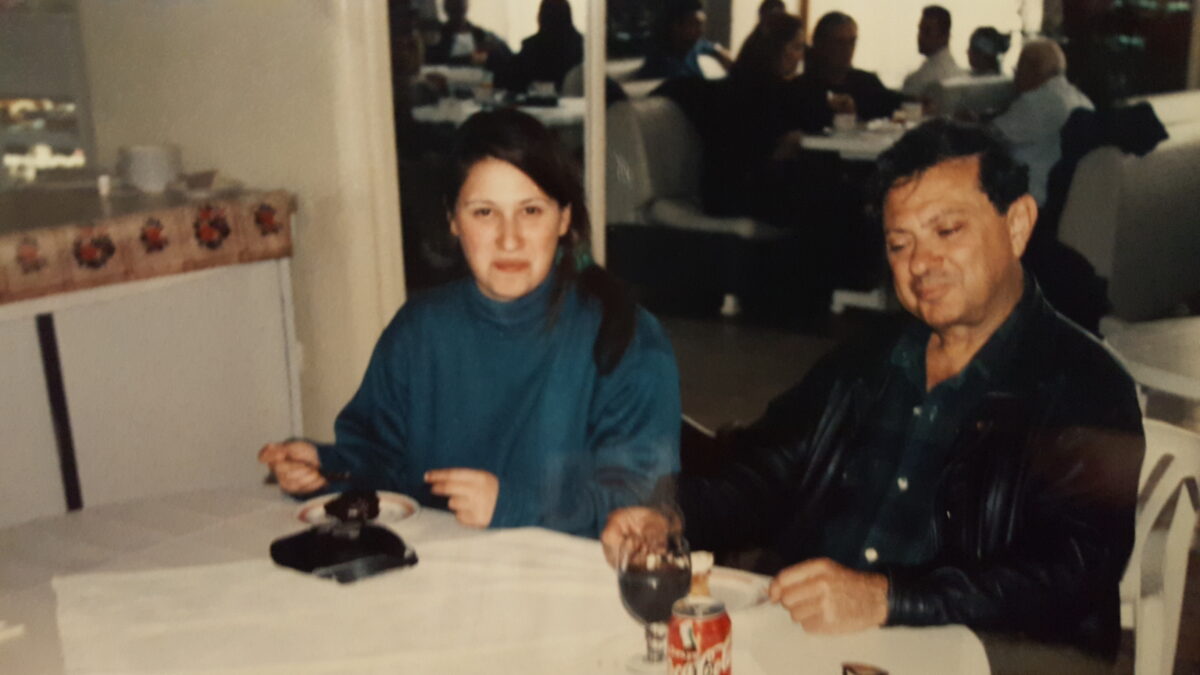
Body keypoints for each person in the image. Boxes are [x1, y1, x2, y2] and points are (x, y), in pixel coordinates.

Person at [602, 120, 1144, 666]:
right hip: (819, 638)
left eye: (948, 231)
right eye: (899, 243)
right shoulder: (870, 357)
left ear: (1018, 223)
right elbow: (765, 469)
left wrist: (889, 598)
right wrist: (671, 518)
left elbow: (1069, 572)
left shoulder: (1086, 385)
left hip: (981, 652)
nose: (921, 264)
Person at [260, 109, 681, 538]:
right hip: (439, 577)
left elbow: (642, 504)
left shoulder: (625, 336)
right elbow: (381, 461)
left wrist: (513, 504)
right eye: (484, 213)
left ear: (565, 218)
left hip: (569, 582)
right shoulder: (418, 330)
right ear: (453, 220)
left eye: (531, 210)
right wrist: (328, 468)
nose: (509, 238)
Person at [992, 39, 1093, 205]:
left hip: (1033, 198)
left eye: (1018, 70)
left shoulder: (1037, 100)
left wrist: (969, 121)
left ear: (1031, 70)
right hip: (1068, 197)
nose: (1016, 79)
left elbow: (992, 134)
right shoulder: (1082, 99)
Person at [790, 11, 904, 125]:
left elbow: (899, 106)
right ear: (820, 44)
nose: (847, 49)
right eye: (839, 42)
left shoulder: (867, 84)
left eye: (852, 42)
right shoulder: (800, 90)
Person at [635, 0, 733, 80]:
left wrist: (722, 54)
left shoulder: (694, 45)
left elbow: (713, 47)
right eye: (695, 24)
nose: (701, 30)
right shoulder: (662, 61)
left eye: (701, 25)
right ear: (676, 27)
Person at [505, 0, 583, 94]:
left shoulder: (531, 47)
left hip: (535, 105)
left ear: (541, 17)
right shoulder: (582, 46)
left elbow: (511, 81)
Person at [424, 0, 512, 73]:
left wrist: (492, 52)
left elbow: (507, 58)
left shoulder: (481, 35)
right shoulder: (435, 37)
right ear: (445, 6)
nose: (457, 4)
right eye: (453, 2)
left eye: (460, 2)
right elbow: (433, 64)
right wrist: (469, 59)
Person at [901, 5, 964, 98]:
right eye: (920, 30)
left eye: (927, 31)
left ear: (945, 36)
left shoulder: (918, 81)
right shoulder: (961, 75)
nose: (920, 37)